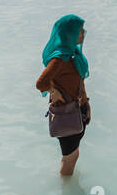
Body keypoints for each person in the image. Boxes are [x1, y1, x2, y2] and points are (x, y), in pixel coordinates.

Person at [35, 14, 91, 177]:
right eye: (79, 31)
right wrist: (54, 92)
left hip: (77, 110)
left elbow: (80, 82)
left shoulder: (73, 54)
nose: (83, 34)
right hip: (66, 112)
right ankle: (66, 192)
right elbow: (41, 83)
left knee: (72, 156)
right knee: (70, 158)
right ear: (69, 33)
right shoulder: (60, 58)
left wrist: (86, 104)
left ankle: (67, 184)